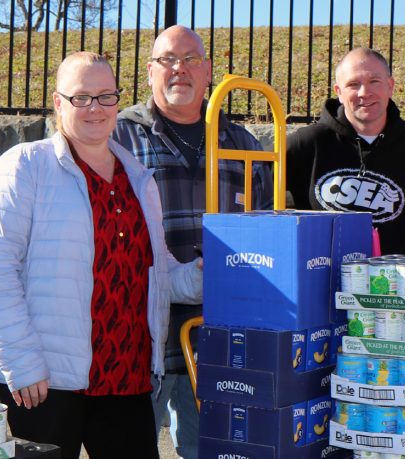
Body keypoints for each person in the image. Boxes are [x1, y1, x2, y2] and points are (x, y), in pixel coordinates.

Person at [0, 51, 202, 458]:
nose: (95, 108)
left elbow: (159, 273)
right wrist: (22, 364)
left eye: (105, 96)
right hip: (43, 382)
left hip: (126, 376)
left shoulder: (138, 178)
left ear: (118, 100)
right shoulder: (25, 167)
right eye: (81, 97)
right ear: (59, 102)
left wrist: (205, 274)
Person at [112, 25, 271, 459]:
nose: (179, 69)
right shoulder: (119, 137)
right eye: (167, 60)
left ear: (209, 72)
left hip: (219, 335)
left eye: (190, 60)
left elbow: (268, 231)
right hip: (140, 333)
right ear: (149, 72)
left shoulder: (243, 144)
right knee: (130, 447)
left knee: (212, 450)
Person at [286, 47, 405, 255]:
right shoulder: (305, 144)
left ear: (390, 86)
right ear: (339, 92)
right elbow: (256, 204)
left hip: (390, 284)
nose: (364, 92)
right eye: (353, 84)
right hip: (318, 283)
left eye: (374, 81)